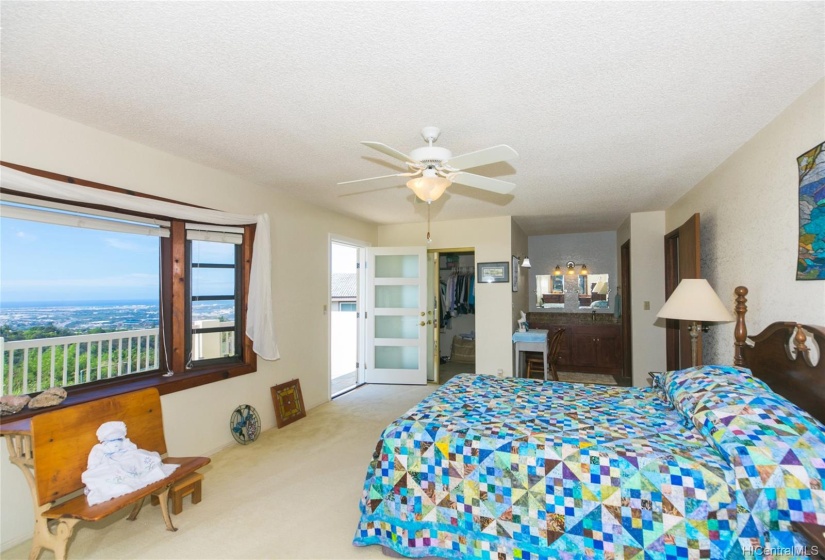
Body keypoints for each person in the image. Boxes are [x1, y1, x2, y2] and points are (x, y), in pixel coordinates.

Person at [81, 421, 178, 506]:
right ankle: (95, 486)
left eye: (118, 439)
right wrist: (93, 468)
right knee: (111, 471)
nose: (116, 443)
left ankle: (142, 474)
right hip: (111, 462)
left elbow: (133, 449)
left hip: (125, 457)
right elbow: (94, 460)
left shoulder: (125, 442)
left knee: (142, 458)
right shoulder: (100, 448)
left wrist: (130, 455)